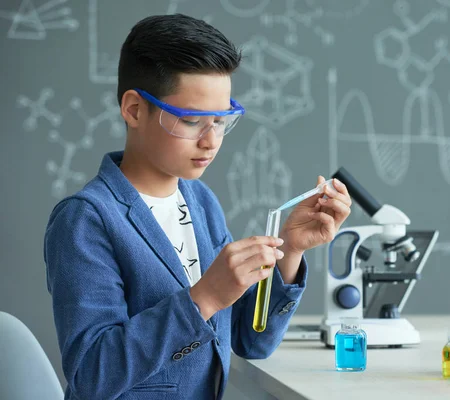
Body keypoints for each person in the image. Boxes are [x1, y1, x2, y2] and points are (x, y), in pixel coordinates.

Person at [43, 14, 351, 400]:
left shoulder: (200, 201)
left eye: (221, 120)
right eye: (191, 121)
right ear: (135, 109)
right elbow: (92, 375)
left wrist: (290, 248)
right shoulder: (86, 219)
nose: (211, 141)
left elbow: (249, 341)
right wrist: (203, 298)